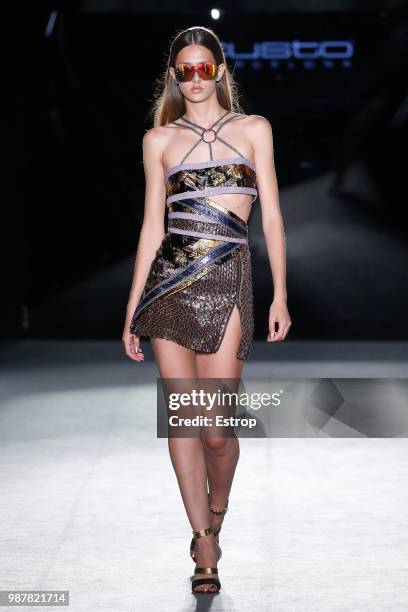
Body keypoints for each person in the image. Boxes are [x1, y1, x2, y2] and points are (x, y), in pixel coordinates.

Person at [123, 26, 291, 594]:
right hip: (169, 283)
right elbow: (151, 227)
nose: (194, 78)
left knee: (217, 432)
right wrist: (131, 309)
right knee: (184, 421)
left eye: (204, 68)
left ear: (220, 70)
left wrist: (281, 295)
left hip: (229, 277)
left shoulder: (254, 130)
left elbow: (271, 217)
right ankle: (203, 542)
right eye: (184, 70)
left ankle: (217, 508)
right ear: (174, 75)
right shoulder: (158, 140)